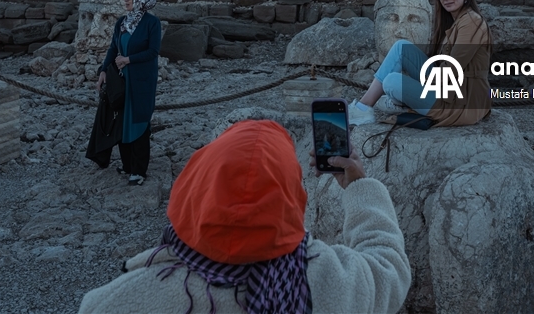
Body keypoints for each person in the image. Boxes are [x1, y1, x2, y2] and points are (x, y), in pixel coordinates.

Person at [78, 119, 411, 314]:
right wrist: (357, 185)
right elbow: (389, 269)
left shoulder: (116, 302)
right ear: (292, 198)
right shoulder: (326, 280)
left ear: (192, 188)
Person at [349, 0, 491, 126]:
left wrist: (414, 86)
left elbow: (452, 69)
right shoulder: (457, 21)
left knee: (392, 82)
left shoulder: (471, 22)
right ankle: (363, 107)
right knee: (401, 47)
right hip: (447, 87)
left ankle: (382, 105)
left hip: (461, 102)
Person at [85, 0, 161, 186]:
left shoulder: (152, 23)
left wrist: (128, 59)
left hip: (141, 81)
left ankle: (139, 170)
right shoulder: (122, 22)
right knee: (123, 121)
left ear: (140, 0)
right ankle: (127, 165)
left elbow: (153, 51)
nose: (125, 0)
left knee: (139, 122)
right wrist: (103, 71)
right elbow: (113, 48)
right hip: (122, 80)